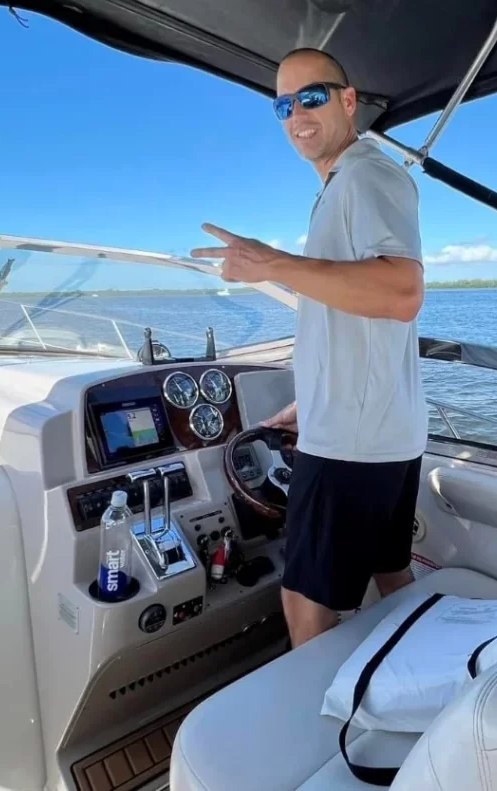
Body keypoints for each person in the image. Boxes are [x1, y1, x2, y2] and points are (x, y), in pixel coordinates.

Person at [191, 48, 428, 647]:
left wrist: (271, 262)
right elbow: (358, 323)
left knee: (302, 598)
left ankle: (318, 731)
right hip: (378, 429)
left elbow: (401, 292)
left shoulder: (367, 174)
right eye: (283, 104)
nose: (297, 113)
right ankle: (430, 680)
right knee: (391, 572)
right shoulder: (343, 184)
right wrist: (308, 406)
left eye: (313, 96)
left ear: (349, 102)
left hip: (352, 442)